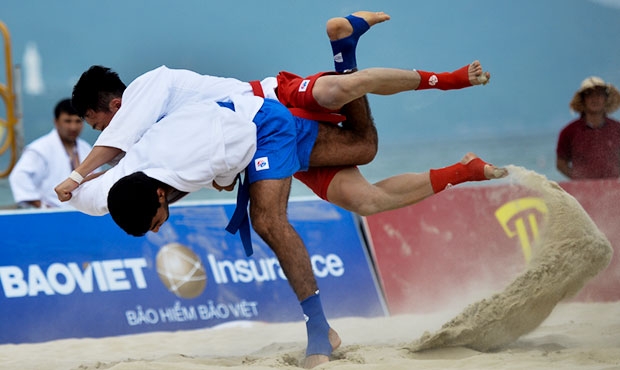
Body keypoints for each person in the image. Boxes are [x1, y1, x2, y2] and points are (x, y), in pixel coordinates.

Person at [55, 11, 505, 368]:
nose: (104, 136)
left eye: (98, 124)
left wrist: (75, 176)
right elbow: (128, 170)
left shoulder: (145, 95)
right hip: (253, 137)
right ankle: (458, 168)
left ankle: (447, 77)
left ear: (114, 105)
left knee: (340, 96)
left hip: (269, 103)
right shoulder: (147, 156)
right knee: (364, 172)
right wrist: (77, 191)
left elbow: (120, 147)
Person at [8, 98, 94, 208]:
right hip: (50, 213)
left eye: (78, 121)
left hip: (84, 212)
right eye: (68, 121)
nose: (73, 127)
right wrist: (42, 205)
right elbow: (19, 177)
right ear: (56, 122)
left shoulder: (86, 148)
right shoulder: (40, 148)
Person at [556, 76, 620, 179]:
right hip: (582, 190)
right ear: (583, 100)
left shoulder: (617, 129)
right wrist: (578, 179)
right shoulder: (569, 132)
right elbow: (561, 164)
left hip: (614, 188)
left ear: (606, 98)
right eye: (589, 94)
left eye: (599, 94)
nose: (595, 99)